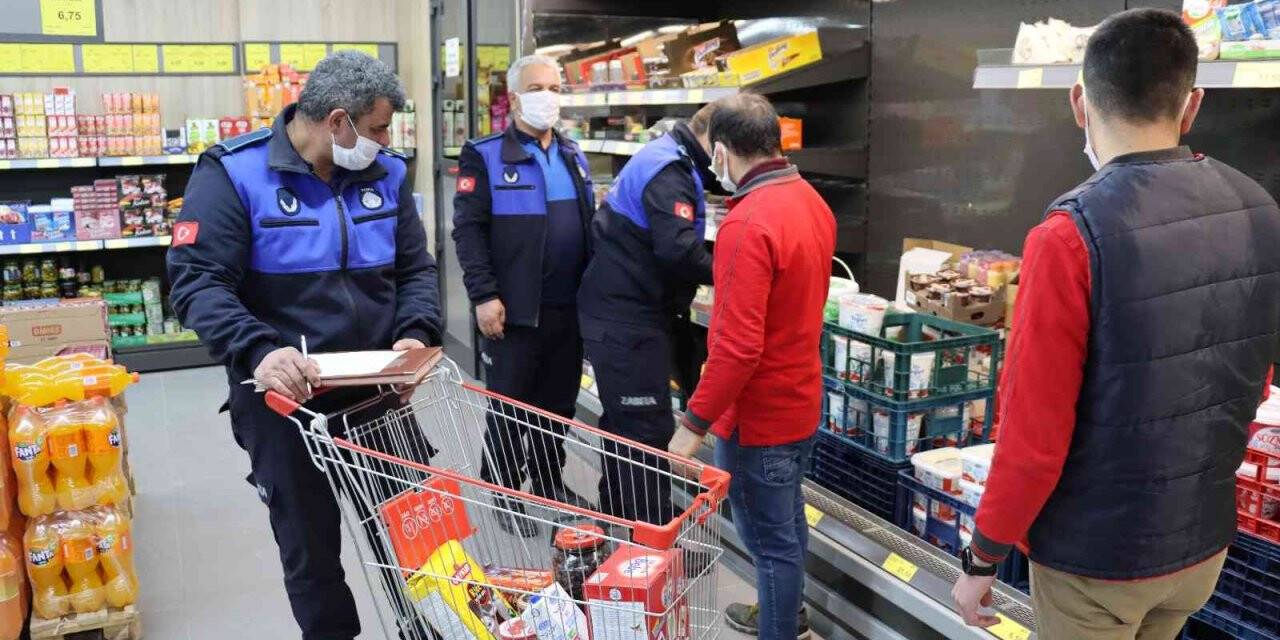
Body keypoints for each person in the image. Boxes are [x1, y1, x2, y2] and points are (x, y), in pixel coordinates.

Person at [950, 10, 1280, 640]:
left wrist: (981, 556)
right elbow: (1254, 383)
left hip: (1097, 560)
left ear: (1080, 102)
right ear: (1193, 105)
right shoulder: (1258, 208)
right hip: (1202, 543)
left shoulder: (1072, 234)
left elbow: (1033, 435)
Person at [167, 51, 442, 640]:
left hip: (379, 396)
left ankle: (435, 629)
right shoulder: (233, 174)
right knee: (311, 550)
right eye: (378, 128)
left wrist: (415, 334)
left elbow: (417, 269)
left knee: (419, 539)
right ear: (337, 122)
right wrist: (260, 350)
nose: (386, 140)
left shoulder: (387, 172)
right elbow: (196, 281)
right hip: (285, 402)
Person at [668, 94, 835, 640]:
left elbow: (738, 348)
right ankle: (786, 615)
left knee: (767, 543)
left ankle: (779, 629)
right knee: (786, 525)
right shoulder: (811, 201)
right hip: (801, 401)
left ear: (720, 151)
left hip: (759, 420)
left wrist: (692, 426)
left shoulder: (747, 224)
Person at [453, 54, 596, 536]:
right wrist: (483, 294)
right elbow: (468, 231)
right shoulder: (486, 154)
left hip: (567, 306)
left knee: (558, 403)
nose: (548, 97)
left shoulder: (573, 155)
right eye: (538, 87)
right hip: (513, 311)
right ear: (514, 98)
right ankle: (505, 492)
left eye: (555, 87)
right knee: (511, 406)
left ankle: (550, 481)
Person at [578, 104, 719, 525]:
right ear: (714, 137)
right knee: (645, 430)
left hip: (624, 312)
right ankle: (652, 537)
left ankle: (619, 518)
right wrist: (733, 269)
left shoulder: (668, 154)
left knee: (624, 424)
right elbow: (677, 249)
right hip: (627, 321)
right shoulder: (669, 171)